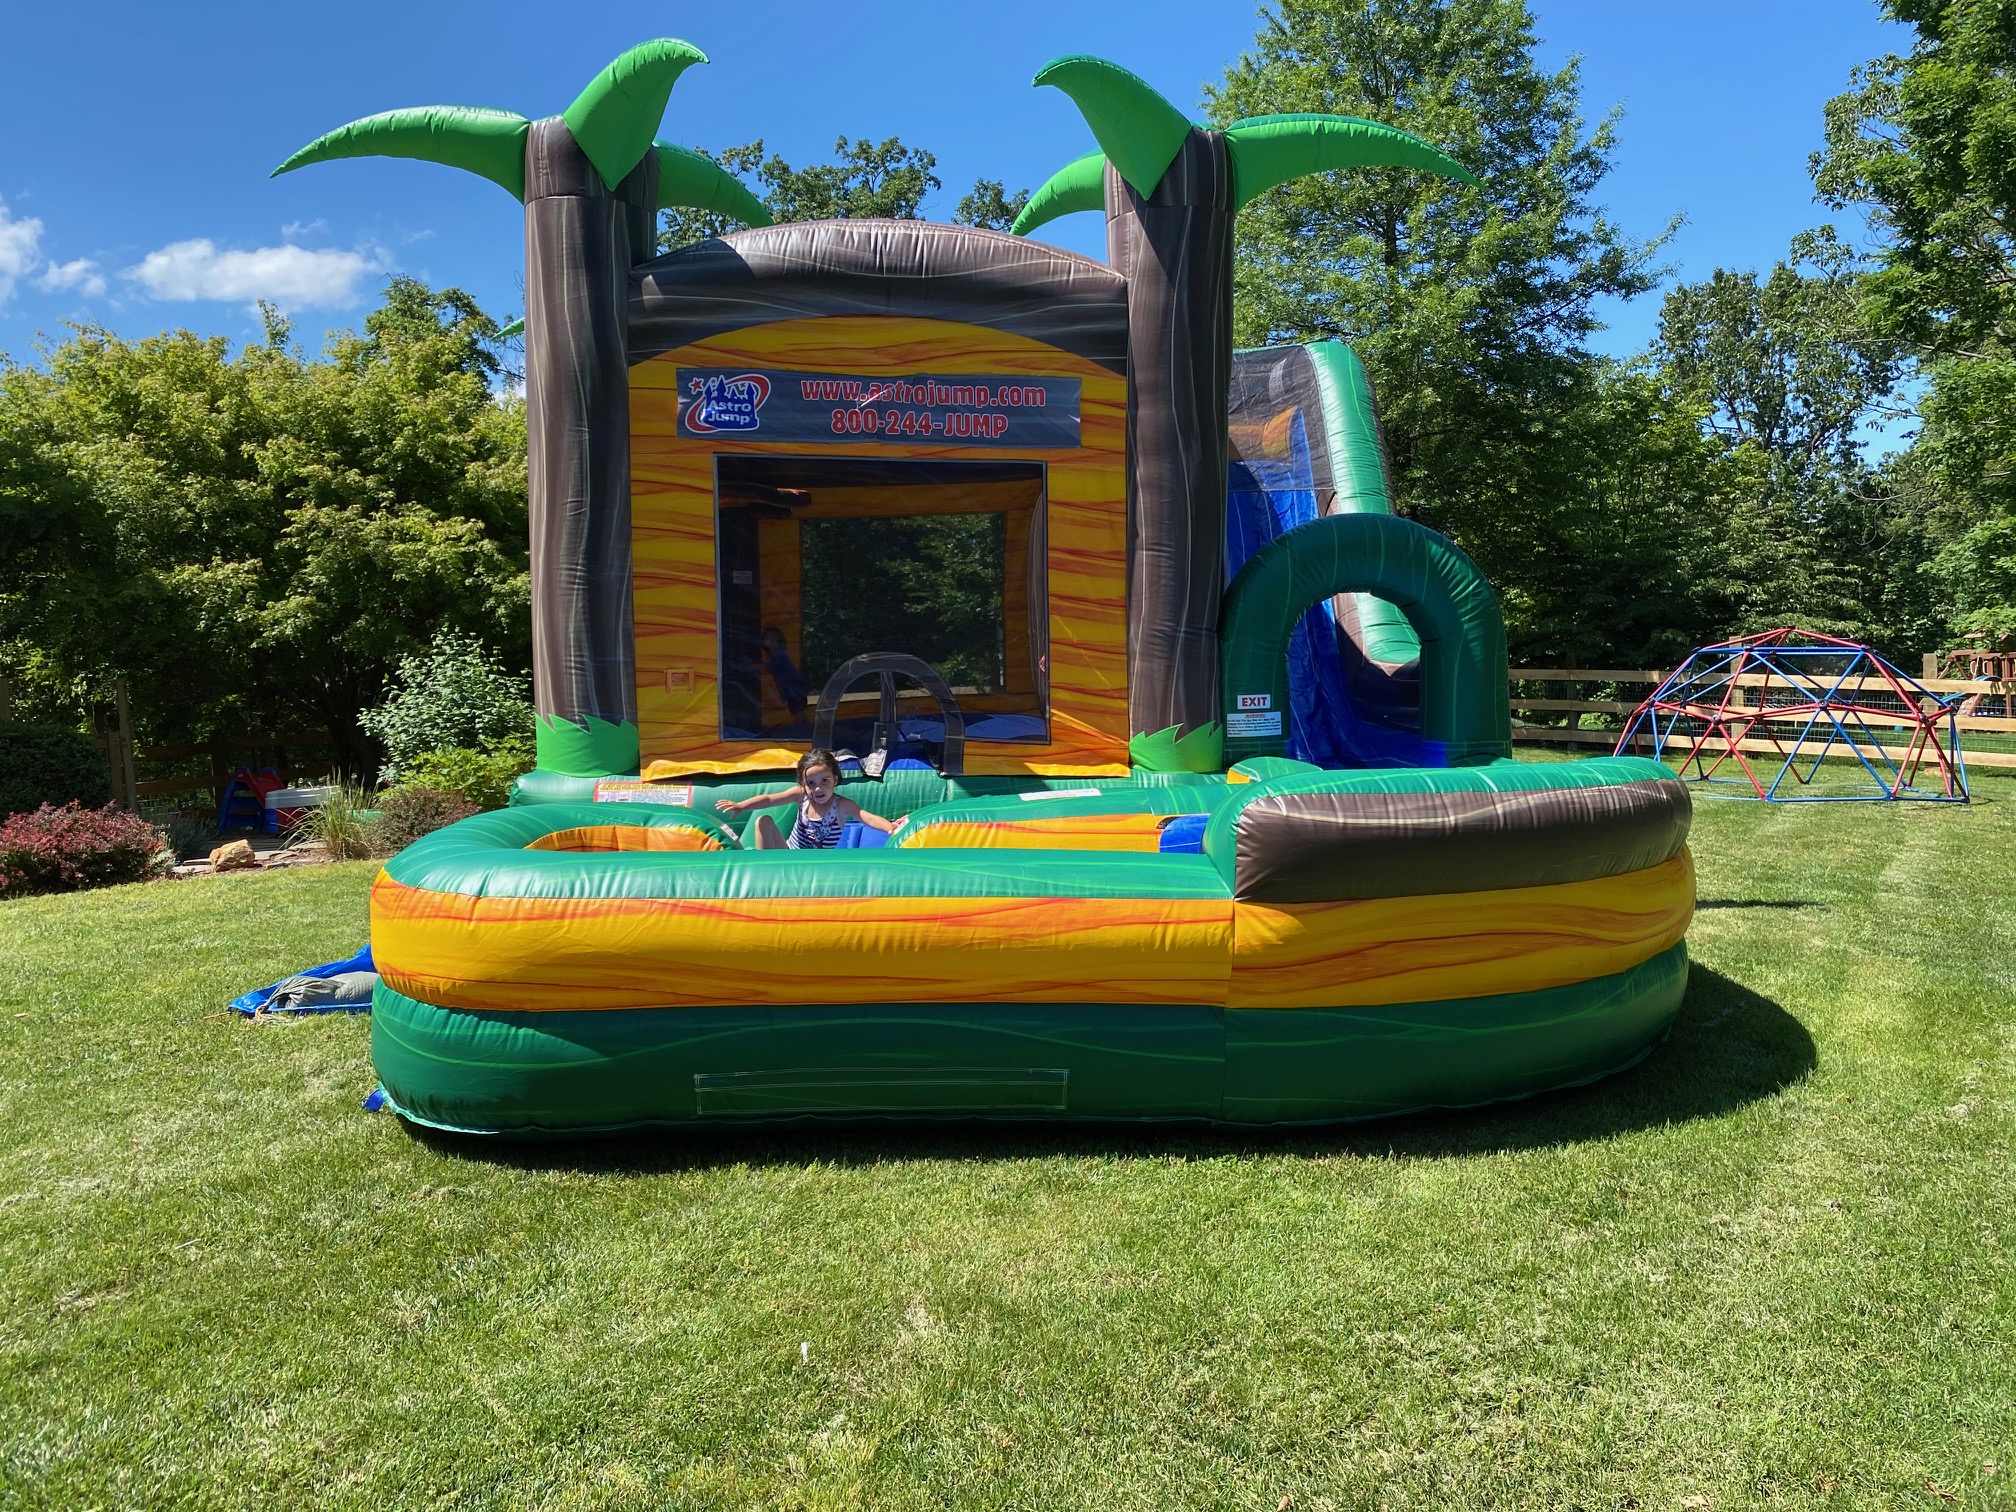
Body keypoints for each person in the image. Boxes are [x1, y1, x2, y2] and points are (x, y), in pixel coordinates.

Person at [714, 748, 898, 849]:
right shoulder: (801, 795)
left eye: (825, 781)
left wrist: (890, 828)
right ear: (802, 784)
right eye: (811, 783)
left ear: (835, 779)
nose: (818, 788)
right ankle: (764, 865)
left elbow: (866, 817)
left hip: (816, 864)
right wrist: (741, 806)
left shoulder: (842, 805)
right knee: (763, 821)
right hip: (789, 854)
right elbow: (769, 799)